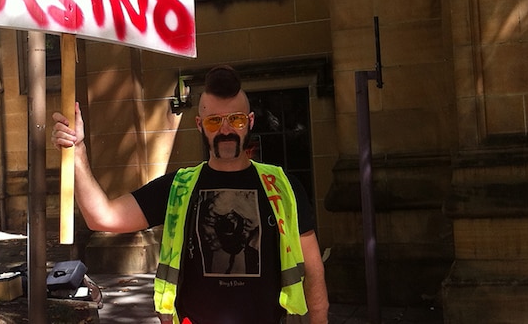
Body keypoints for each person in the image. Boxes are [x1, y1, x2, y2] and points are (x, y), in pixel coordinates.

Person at [51, 65, 329, 324]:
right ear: (199, 124)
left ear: (250, 121)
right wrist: (77, 152)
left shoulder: (284, 187)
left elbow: (313, 271)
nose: (226, 130)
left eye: (236, 119)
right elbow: (102, 217)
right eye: (214, 121)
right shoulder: (179, 188)